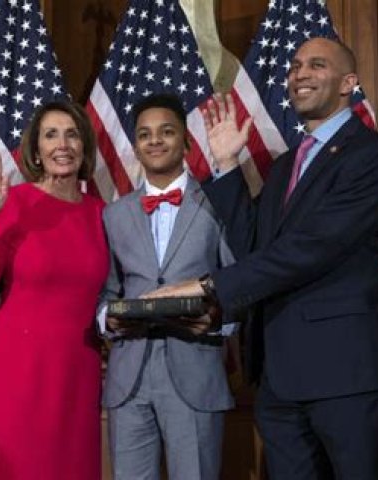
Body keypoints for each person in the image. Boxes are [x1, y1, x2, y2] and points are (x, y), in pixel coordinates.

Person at [145, 37, 378, 479]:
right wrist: (228, 165)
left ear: (348, 83)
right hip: (280, 379)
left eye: (316, 65)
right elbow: (254, 246)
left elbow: (311, 249)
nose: (300, 74)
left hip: (344, 376)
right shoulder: (285, 166)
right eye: (295, 66)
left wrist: (210, 287)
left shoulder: (371, 155)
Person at [0, 100, 109, 479]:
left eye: (72, 134)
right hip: (17, 367)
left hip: (77, 372)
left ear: (84, 146)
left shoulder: (101, 213)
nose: (63, 144)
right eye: (51, 135)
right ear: (37, 150)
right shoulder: (13, 203)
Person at [99, 93, 236, 480]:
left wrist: (218, 321)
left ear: (187, 142)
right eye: (144, 134)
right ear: (136, 147)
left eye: (166, 132)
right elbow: (107, 291)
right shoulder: (114, 214)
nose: (155, 141)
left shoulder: (217, 204)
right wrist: (107, 319)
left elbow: (239, 282)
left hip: (196, 371)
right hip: (128, 377)